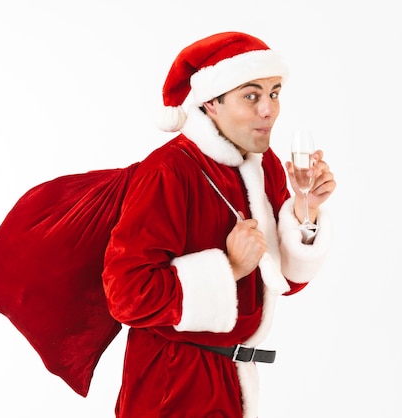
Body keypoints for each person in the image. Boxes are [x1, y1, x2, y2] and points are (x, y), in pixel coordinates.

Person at [102, 31, 336, 418]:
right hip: (172, 383)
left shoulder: (264, 166)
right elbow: (125, 294)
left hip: (233, 379)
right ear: (211, 103)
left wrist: (305, 211)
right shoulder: (169, 172)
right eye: (251, 95)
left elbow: (285, 282)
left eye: (274, 93)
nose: (268, 110)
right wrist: (229, 268)